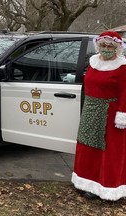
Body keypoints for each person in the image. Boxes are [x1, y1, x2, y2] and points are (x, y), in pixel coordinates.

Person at [71, 31, 126, 201]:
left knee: (109, 152)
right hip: (91, 110)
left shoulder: (122, 67)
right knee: (88, 148)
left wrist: (122, 115)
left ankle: (107, 187)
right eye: (103, 45)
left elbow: (125, 93)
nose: (106, 48)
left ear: (116, 47)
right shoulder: (93, 62)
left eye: (110, 45)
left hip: (110, 115)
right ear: (98, 45)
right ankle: (86, 182)